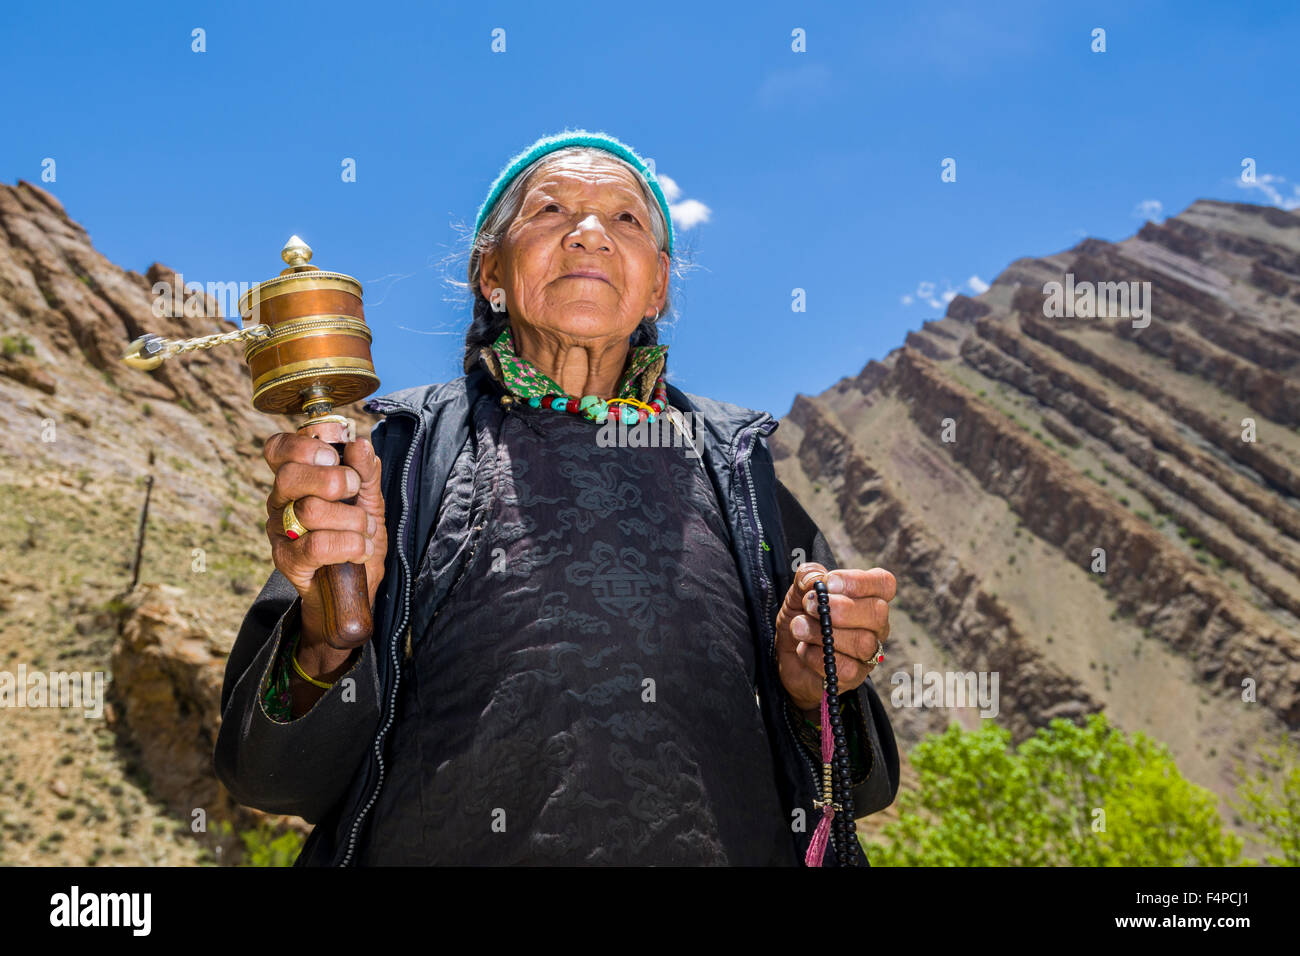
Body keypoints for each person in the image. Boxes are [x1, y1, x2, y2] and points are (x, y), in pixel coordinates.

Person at [214, 129, 900, 866]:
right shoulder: (395, 457)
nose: (590, 234)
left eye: (627, 219)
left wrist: (812, 687)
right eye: (550, 211)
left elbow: (854, 789)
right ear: (491, 273)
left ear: (658, 286)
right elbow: (269, 778)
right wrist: (327, 639)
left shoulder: (739, 469)